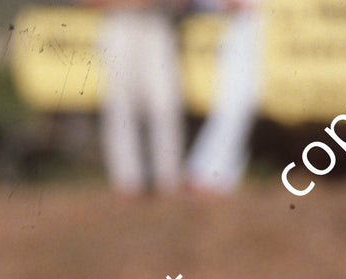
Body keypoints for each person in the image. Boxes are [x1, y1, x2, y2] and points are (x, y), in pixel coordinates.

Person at [86, 0, 187, 196]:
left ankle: (169, 179)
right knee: (120, 107)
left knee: (165, 104)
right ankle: (127, 180)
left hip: (157, 26)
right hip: (118, 25)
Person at [184, 0, 264, 193]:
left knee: (241, 108)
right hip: (235, 37)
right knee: (232, 106)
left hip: (257, 37)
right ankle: (206, 173)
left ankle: (217, 174)